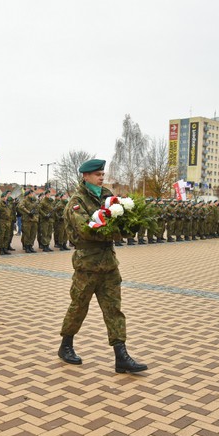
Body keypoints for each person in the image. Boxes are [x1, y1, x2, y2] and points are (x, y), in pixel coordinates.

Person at [58, 158, 148, 374]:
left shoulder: (108, 197)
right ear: (85, 176)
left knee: (114, 310)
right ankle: (66, 345)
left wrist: (130, 227)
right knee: (79, 307)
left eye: (102, 174)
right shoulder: (76, 202)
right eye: (98, 174)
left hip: (108, 264)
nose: (102, 177)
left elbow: (119, 223)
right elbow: (87, 231)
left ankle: (121, 356)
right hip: (87, 265)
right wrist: (115, 231)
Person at [0, 191, 15, 255]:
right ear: (1, 198)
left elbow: (10, 213)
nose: (5, 198)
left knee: (7, 236)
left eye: (6, 197)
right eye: (4, 197)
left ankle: (5, 248)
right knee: (2, 236)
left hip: (8, 222)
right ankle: (1, 249)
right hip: (2, 222)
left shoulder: (8, 204)